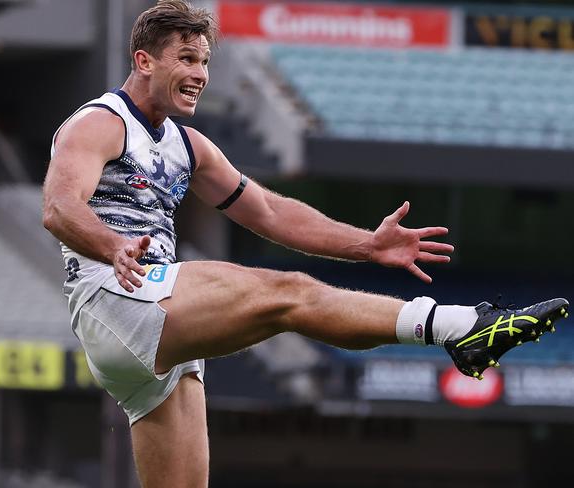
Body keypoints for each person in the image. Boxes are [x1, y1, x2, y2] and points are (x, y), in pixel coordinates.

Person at [42, 1, 569, 486]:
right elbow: (59, 207)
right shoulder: (100, 122)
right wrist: (111, 243)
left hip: (154, 333)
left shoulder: (188, 145)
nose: (201, 75)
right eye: (186, 59)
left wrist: (368, 246)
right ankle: (463, 326)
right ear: (145, 60)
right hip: (118, 296)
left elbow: (271, 212)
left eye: (204, 62)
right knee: (288, 293)